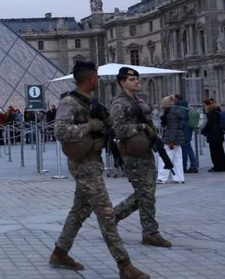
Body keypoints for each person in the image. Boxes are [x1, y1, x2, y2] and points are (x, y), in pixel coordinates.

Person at [49, 62, 147, 279]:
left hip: (93, 160)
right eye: (97, 77)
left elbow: (112, 123)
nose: (99, 80)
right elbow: (60, 131)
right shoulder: (69, 102)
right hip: (83, 164)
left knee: (80, 210)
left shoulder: (93, 103)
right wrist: (90, 127)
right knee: (105, 214)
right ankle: (124, 265)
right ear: (90, 79)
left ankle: (60, 252)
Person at [110, 67, 172, 248]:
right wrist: (139, 128)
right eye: (132, 80)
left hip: (145, 150)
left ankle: (112, 217)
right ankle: (150, 233)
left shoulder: (138, 100)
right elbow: (118, 130)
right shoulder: (119, 103)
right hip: (132, 153)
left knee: (146, 193)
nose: (137, 82)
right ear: (122, 83)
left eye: (137, 79)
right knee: (146, 193)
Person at [157, 96, 185, 184]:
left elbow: (172, 127)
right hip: (178, 136)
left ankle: (162, 177)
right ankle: (179, 177)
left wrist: (171, 140)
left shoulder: (171, 113)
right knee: (178, 158)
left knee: (164, 157)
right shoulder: (177, 111)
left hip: (171, 137)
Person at [201, 99, 225, 172]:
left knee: (214, 152)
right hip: (219, 134)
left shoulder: (212, 113)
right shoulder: (218, 111)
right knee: (220, 151)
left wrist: (203, 131)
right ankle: (223, 166)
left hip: (213, 135)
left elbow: (209, 124)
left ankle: (217, 166)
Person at [173, 96, 198, 174]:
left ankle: (191, 166)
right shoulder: (187, 110)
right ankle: (189, 165)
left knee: (186, 149)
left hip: (183, 132)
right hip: (188, 132)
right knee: (187, 149)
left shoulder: (180, 110)